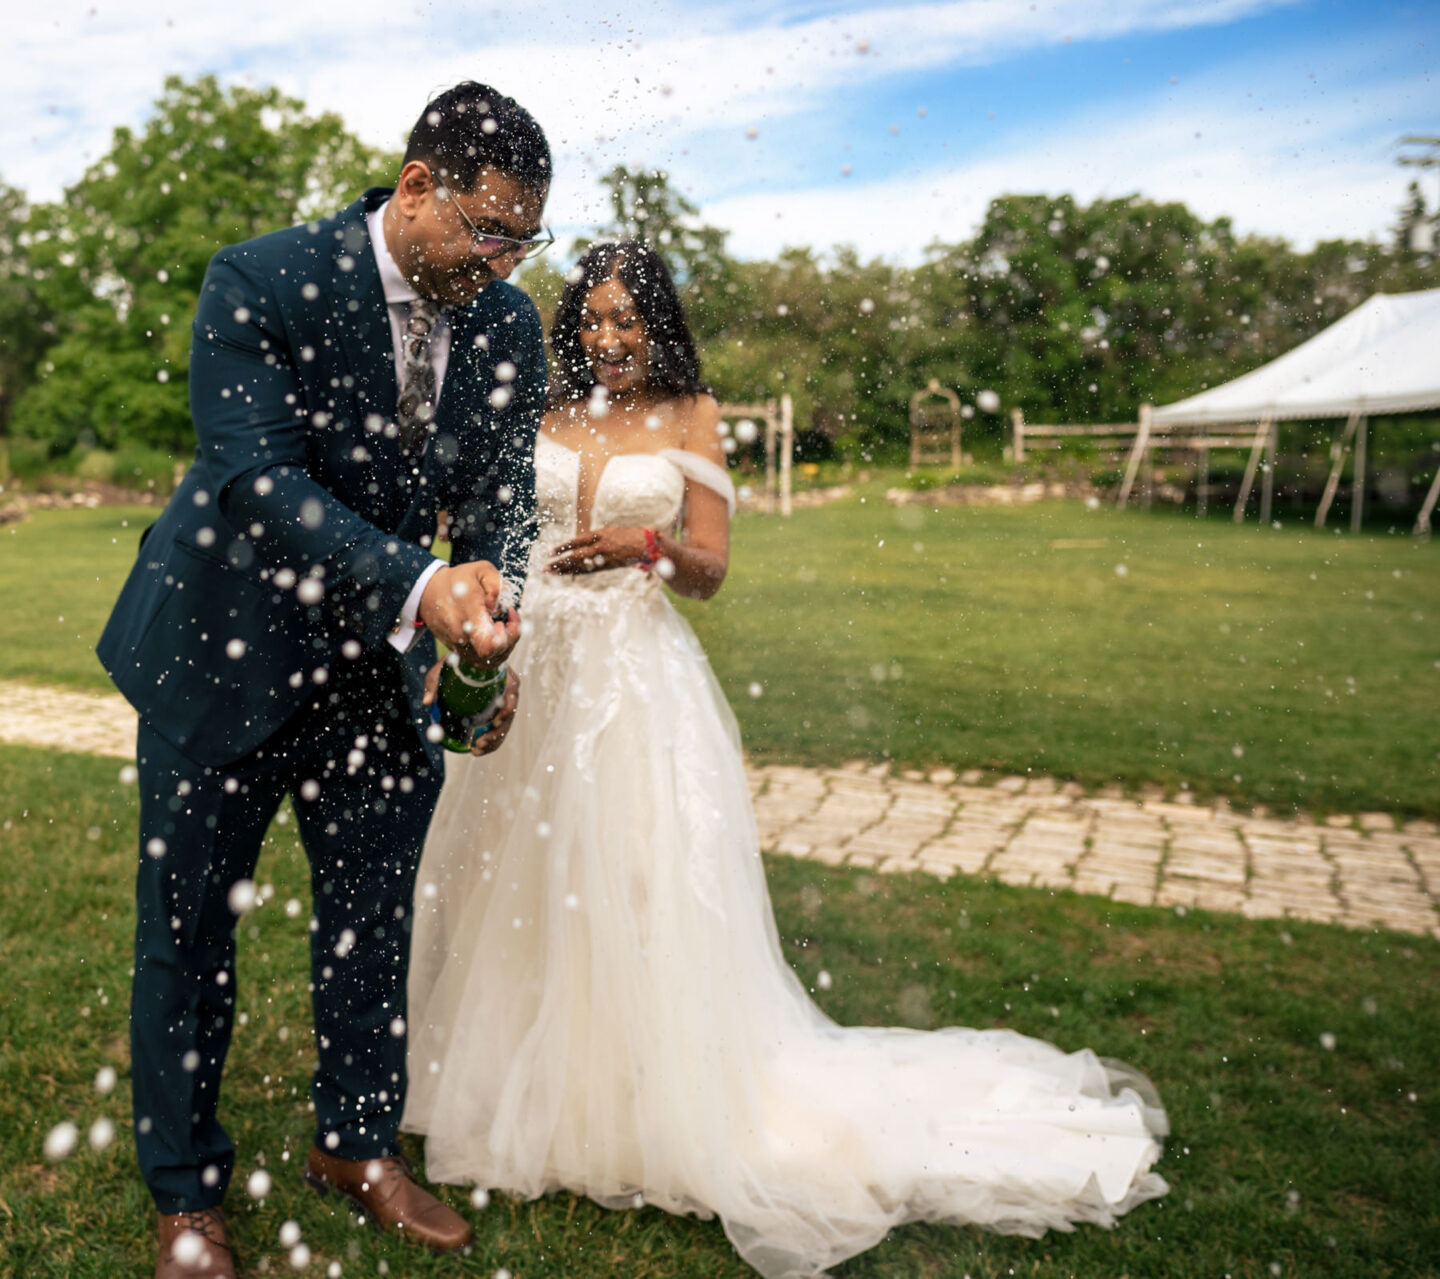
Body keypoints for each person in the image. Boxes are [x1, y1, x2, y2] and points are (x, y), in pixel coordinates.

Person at [403, 241, 1169, 1278]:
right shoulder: (538, 403)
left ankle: (633, 1103)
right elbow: (482, 523)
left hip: (633, 677)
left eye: (628, 320)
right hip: (531, 663)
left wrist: (646, 549)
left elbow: (711, 571)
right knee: (513, 881)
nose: (609, 337)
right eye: (592, 318)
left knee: (629, 883)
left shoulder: (692, 415)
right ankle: (500, 1088)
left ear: (657, 324)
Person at [95, 82, 555, 1279]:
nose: (503, 263)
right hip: (221, 654)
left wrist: (492, 618)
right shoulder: (257, 278)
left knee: (371, 921)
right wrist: (421, 583)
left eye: (526, 240)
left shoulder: (508, 327)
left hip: (381, 677)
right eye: (489, 230)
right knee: (187, 936)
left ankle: (357, 1144)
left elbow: (505, 498)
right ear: (416, 188)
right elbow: (257, 481)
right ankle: (187, 1197)